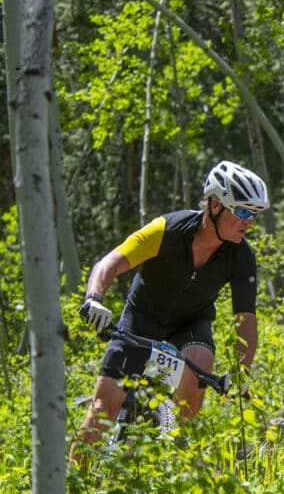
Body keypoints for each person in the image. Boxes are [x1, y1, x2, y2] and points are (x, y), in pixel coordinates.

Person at [72, 160, 268, 466]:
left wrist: (241, 371)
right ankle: (72, 487)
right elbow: (111, 261)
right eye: (243, 212)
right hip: (141, 320)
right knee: (101, 410)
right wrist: (94, 299)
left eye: (254, 214)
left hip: (189, 325)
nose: (249, 221)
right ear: (216, 206)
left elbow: (246, 320)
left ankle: (163, 450)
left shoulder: (241, 255)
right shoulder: (168, 230)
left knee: (201, 360)